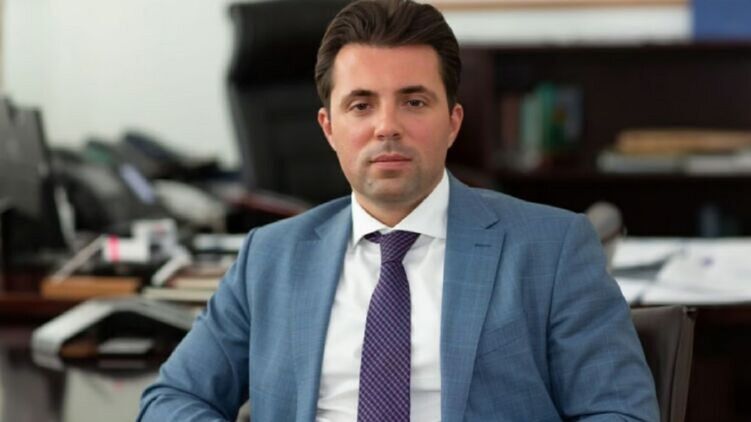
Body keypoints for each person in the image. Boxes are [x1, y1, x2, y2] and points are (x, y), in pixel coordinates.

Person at [138, 0, 658, 420]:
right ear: (328, 128)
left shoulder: (553, 248)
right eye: (361, 105)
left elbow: (621, 412)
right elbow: (173, 399)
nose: (387, 126)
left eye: (413, 102)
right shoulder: (269, 258)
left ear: (453, 122)